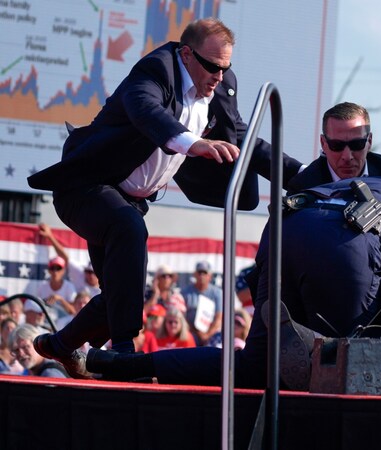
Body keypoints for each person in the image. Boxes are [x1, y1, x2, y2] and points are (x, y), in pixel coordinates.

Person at [27, 17, 303, 378]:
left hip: (128, 200)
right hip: (86, 188)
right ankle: (123, 352)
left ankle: (59, 345)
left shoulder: (219, 86)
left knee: (119, 295)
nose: (219, 76)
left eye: (226, 67)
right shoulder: (156, 70)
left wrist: (305, 177)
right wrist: (194, 143)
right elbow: (147, 111)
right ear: (186, 54)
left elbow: (244, 138)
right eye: (211, 67)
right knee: (129, 229)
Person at [85, 176, 381, 391]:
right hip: (346, 243)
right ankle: (314, 353)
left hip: (286, 226)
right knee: (350, 369)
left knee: (254, 366)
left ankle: (128, 365)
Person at [286, 102, 381, 193]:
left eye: (357, 145)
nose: (347, 156)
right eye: (337, 145)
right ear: (323, 144)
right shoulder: (303, 186)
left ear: (370, 141)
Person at [37, 223, 101, 297]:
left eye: (93, 272)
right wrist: (50, 236)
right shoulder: (80, 274)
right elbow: (65, 258)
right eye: (88, 271)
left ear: (99, 274)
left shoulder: (104, 289)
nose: (90, 275)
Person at [181, 261, 223, 345]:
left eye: (205, 273)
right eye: (199, 272)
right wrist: (197, 332)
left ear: (210, 276)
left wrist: (207, 335)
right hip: (190, 332)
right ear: (195, 275)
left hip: (212, 334)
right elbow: (182, 317)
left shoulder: (217, 293)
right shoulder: (185, 292)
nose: (201, 276)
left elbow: (219, 317)